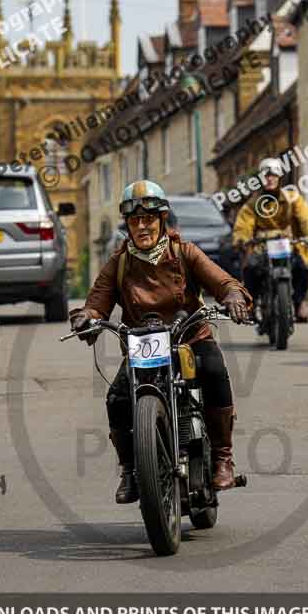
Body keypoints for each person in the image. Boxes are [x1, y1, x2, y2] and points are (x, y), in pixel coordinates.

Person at [70, 180, 253, 504]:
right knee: (117, 399)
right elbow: (97, 301)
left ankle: (222, 459)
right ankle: (130, 470)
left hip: (189, 338)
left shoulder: (184, 251)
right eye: (135, 220)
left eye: (149, 219)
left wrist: (234, 296)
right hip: (143, 345)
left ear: (162, 220)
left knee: (214, 371)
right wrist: (87, 317)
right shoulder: (119, 261)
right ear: (128, 225)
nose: (142, 226)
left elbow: (222, 280)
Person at [232, 157, 308, 323]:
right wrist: (241, 239)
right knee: (250, 269)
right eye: (266, 175)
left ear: (279, 178)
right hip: (261, 247)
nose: (270, 179)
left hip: (288, 245)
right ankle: (251, 305)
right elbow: (243, 225)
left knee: (302, 269)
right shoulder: (252, 203)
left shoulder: (293, 198)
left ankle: (299, 303)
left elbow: (307, 218)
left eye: (273, 175)